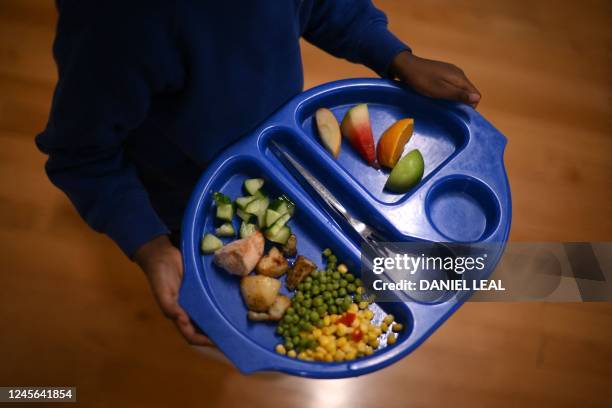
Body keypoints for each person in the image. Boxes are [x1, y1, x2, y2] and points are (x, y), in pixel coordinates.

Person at [36, 0, 480, 347]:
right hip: (183, 200)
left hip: (281, 155)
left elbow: (325, 6)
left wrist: (396, 57)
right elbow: (80, 155)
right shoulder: (114, 23)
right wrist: (150, 247)